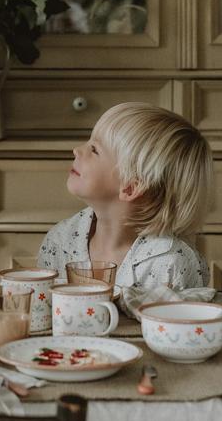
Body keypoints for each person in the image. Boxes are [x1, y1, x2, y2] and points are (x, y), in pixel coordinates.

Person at [38, 102, 212, 290]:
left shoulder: (172, 263)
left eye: (95, 149)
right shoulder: (60, 240)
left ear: (130, 188)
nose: (77, 150)